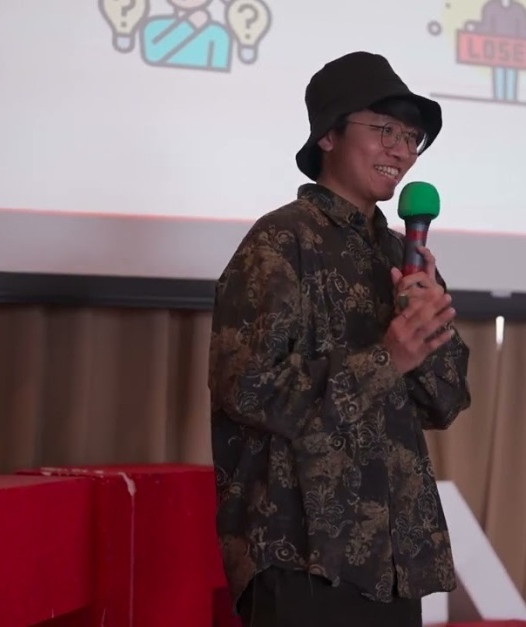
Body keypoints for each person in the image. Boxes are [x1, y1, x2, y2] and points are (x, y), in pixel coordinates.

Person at [208, 51, 472, 627]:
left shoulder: (400, 254)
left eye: (411, 137)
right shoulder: (281, 241)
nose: (400, 150)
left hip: (394, 560)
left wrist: (430, 329)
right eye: (383, 130)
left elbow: (446, 402)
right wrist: (387, 359)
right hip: (303, 554)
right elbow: (247, 390)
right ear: (328, 135)